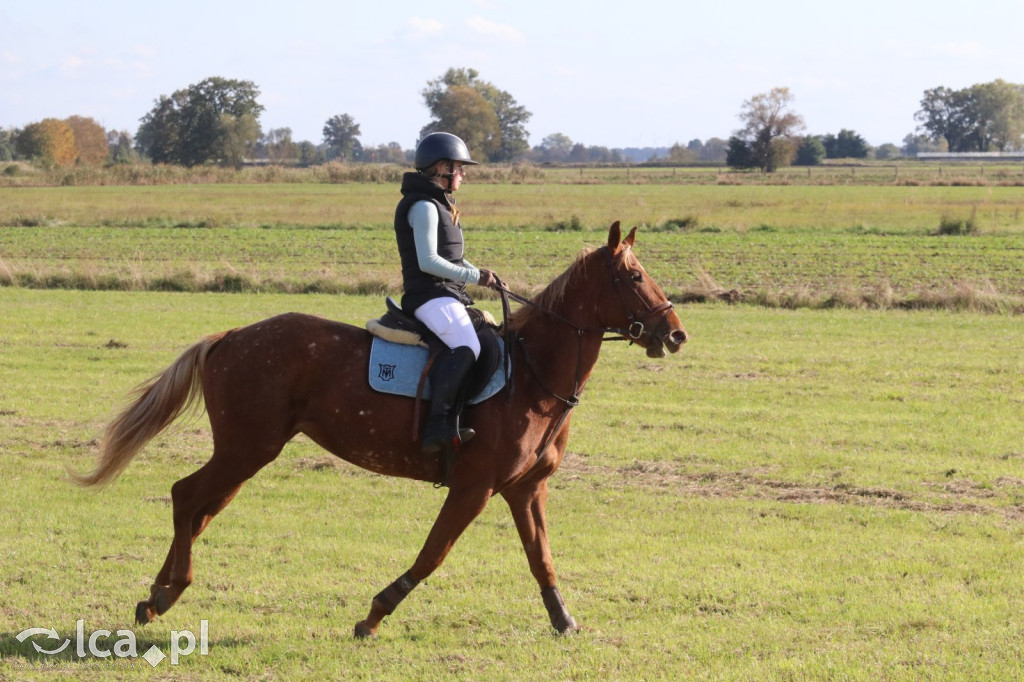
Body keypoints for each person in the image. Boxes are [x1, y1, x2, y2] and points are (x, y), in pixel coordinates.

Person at [394, 132, 498, 455]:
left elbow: (452, 258)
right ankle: (437, 425)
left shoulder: (440, 204)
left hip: (445, 295)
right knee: (467, 344)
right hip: (428, 296)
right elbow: (428, 262)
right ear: (442, 168)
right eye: (459, 168)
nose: (463, 175)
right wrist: (473, 276)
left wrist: (485, 275)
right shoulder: (424, 206)